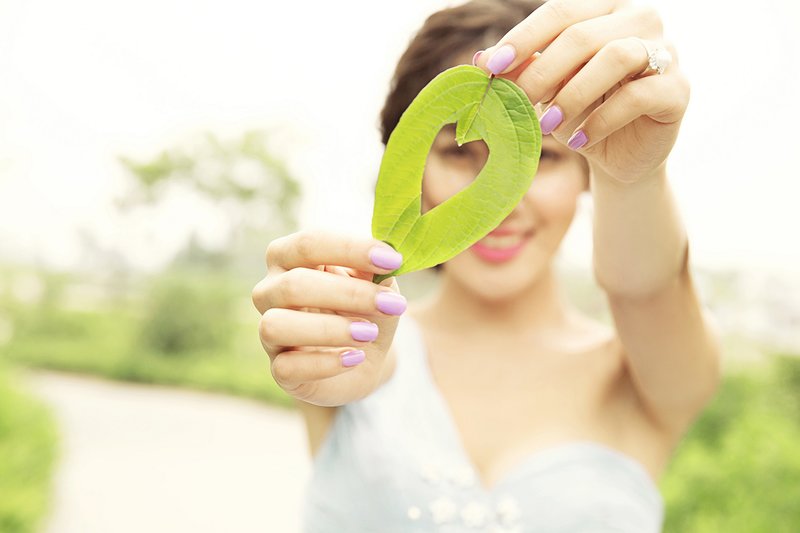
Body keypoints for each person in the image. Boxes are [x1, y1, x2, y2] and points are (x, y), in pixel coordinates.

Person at [251, 0, 721, 531]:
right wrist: (312, 339)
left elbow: (647, 287)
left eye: (543, 156)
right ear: (406, 164)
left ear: (587, 171)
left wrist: (635, 174)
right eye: (457, 151)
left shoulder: (643, 374)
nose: (501, 201)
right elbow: (332, 360)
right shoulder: (353, 343)